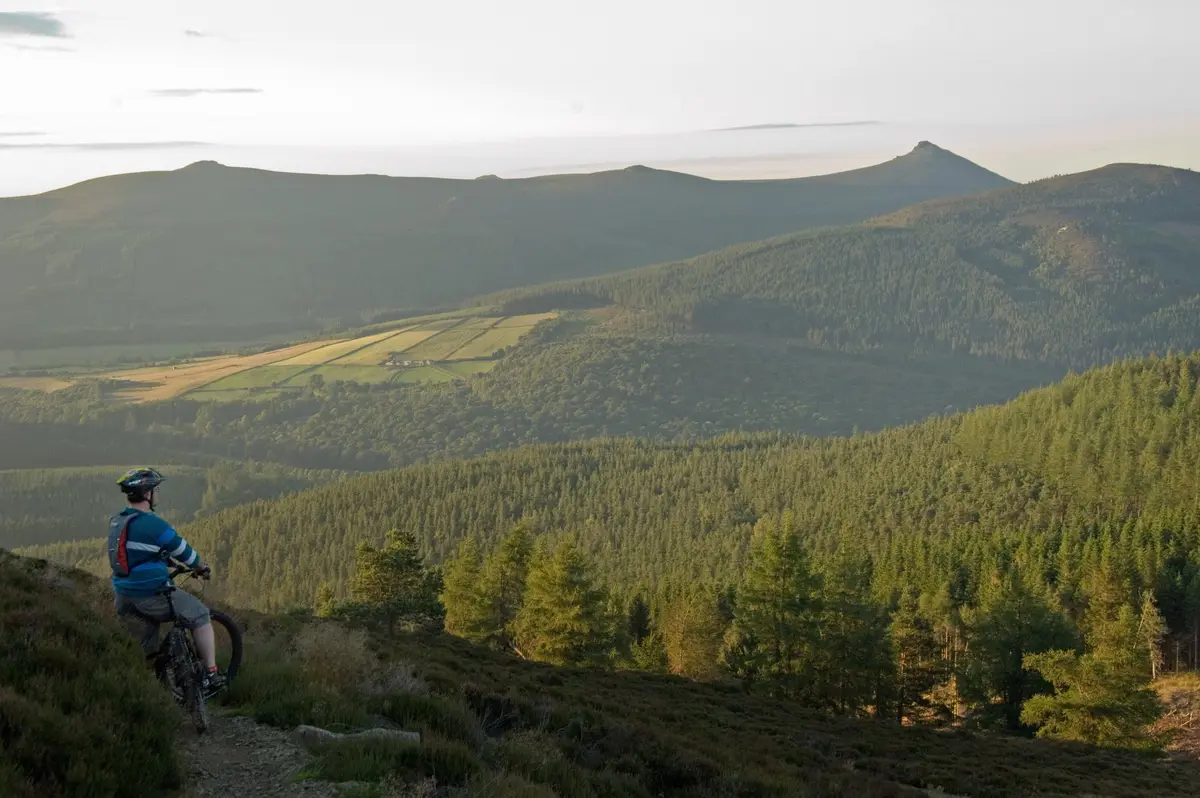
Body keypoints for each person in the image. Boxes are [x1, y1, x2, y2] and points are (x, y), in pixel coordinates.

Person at [108, 467, 225, 694]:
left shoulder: (118, 521)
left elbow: (140, 553)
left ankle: (148, 689)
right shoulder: (153, 525)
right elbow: (186, 554)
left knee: (144, 651)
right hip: (150, 596)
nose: (158, 493)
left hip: (123, 597)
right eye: (156, 489)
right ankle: (211, 674)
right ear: (147, 493)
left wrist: (167, 563)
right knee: (200, 615)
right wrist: (202, 567)